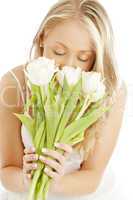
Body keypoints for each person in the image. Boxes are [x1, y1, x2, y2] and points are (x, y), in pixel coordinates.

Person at [0, 0, 127, 199]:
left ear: (96, 57)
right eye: (59, 52)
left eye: (83, 58)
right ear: (42, 38)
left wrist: (56, 182)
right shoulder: (14, 83)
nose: (68, 66)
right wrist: (26, 179)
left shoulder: (111, 91)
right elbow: (7, 171)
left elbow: (92, 178)